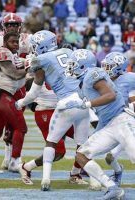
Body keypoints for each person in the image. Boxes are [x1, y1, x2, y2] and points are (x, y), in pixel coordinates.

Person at [15, 31, 90, 191]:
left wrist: (19, 103)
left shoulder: (41, 61)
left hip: (65, 108)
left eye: (35, 46)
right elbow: (31, 88)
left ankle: (75, 174)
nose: (33, 50)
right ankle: (27, 167)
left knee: (85, 143)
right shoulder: (66, 54)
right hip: (46, 109)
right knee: (59, 151)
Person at [65, 49, 135, 199]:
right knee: (81, 155)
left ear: (83, 65)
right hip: (108, 124)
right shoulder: (82, 85)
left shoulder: (93, 74)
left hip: (121, 120)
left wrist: (86, 104)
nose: (70, 67)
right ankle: (112, 188)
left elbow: (110, 96)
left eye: (74, 64)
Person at [0, 13, 32, 173]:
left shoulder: (28, 39)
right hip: (5, 85)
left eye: (15, 24)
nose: (12, 27)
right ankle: (13, 160)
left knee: (11, 126)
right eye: (9, 25)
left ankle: (7, 159)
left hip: (19, 87)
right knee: (15, 125)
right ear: (4, 26)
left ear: (20, 26)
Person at [101, 52, 135, 186]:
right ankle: (118, 172)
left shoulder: (130, 79)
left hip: (130, 121)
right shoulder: (104, 81)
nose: (106, 69)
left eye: (109, 66)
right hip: (116, 122)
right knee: (108, 157)